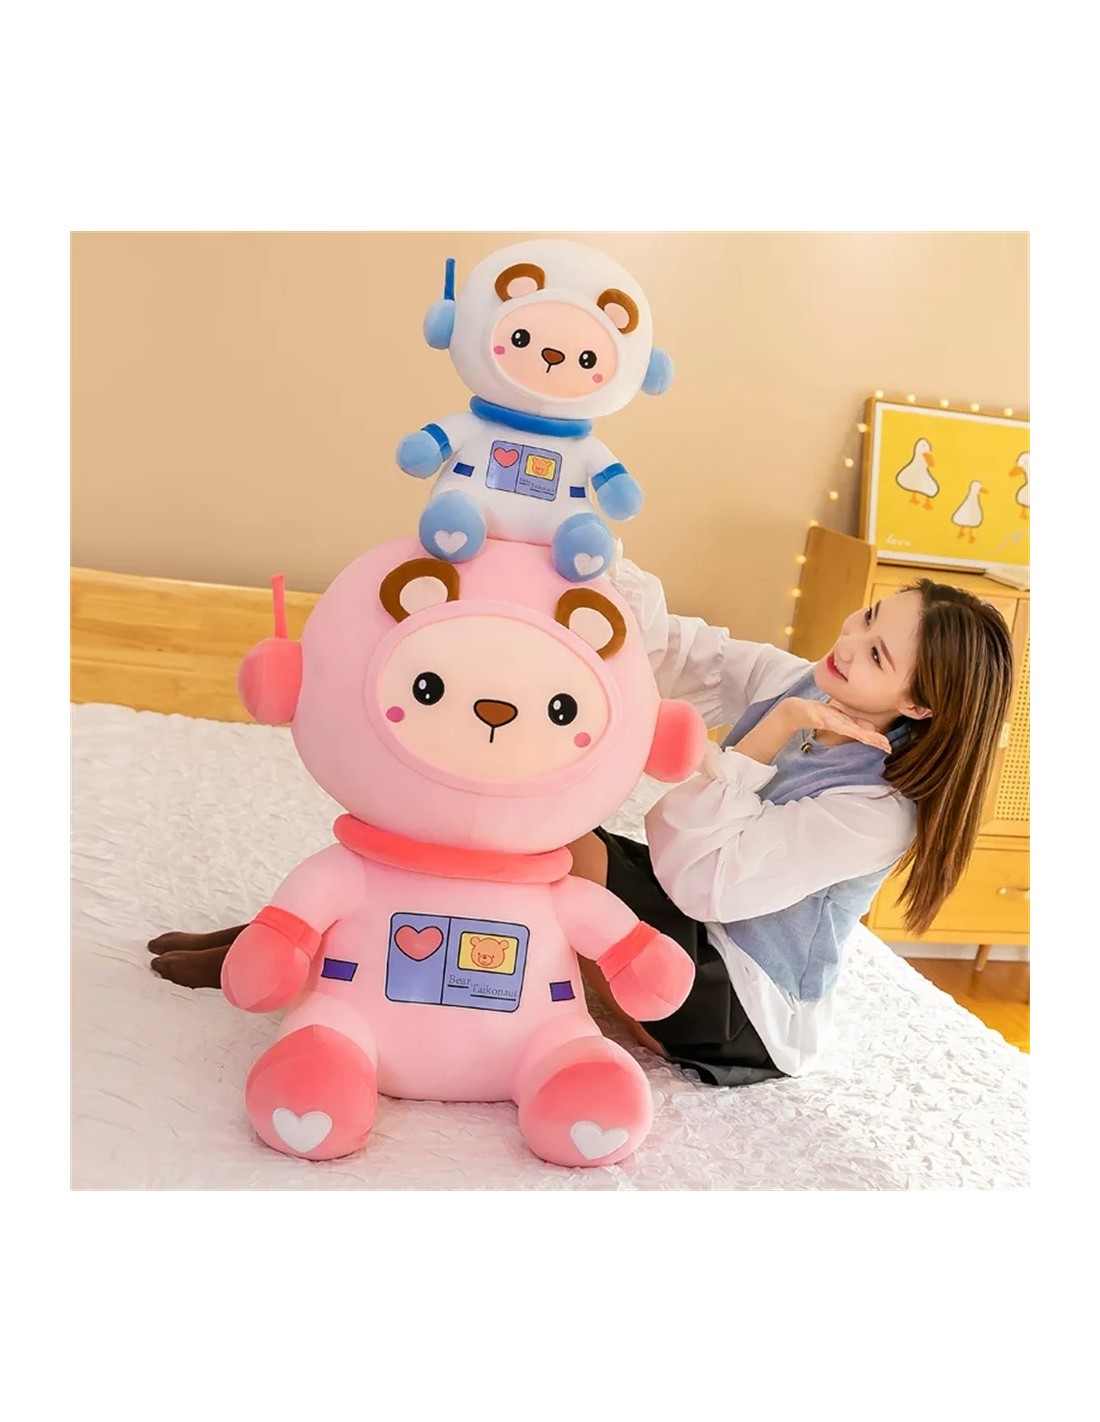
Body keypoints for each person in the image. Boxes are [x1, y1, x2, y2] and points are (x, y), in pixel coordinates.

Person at [148, 553, 1015, 1087]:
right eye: (868, 617)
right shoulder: (807, 679)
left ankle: (318, 960)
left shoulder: (876, 810)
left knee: (553, 878)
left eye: (876, 653)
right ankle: (291, 936)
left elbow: (700, 882)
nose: (847, 644)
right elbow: (681, 652)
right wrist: (590, 563)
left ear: (919, 706)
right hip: (700, 919)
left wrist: (764, 738)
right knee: (537, 842)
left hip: (742, 1007)